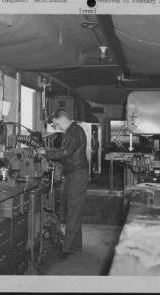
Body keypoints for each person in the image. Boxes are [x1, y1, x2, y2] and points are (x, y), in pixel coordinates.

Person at [38, 109, 89, 257]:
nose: (56, 127)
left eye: (56, 124)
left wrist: (45, 153)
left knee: (73, 210)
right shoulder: (73, 131)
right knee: (75, 209)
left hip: (77, 175)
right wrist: (49, 151)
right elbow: (65, 150)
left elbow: (66, 152)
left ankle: (66, 249)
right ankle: (75, 245)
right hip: (75, 174)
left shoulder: (75, 131)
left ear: (61, 119)